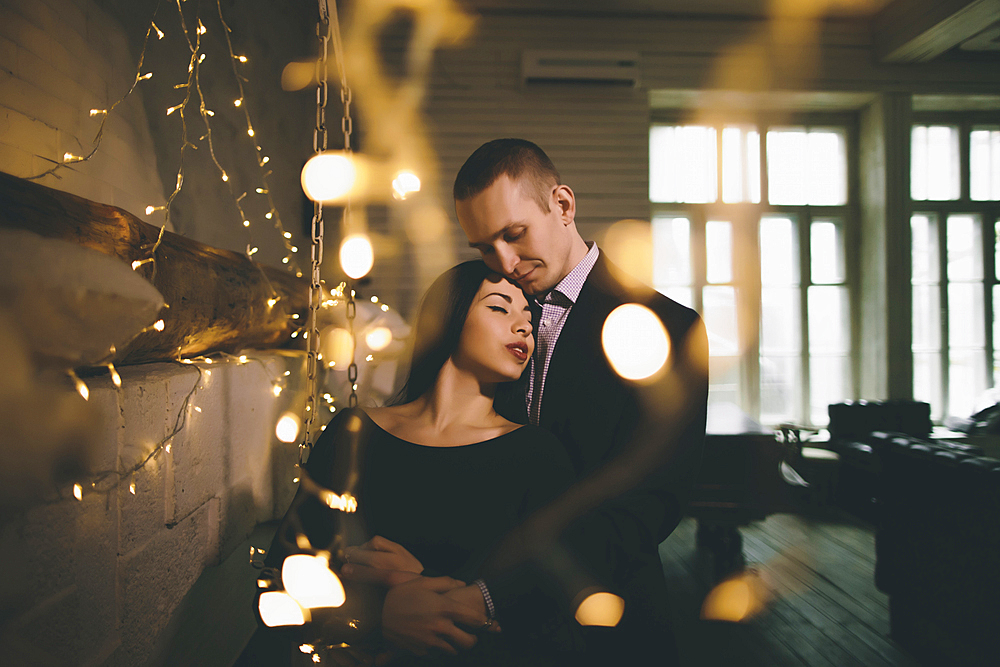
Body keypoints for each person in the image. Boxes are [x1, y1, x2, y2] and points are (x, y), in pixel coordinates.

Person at [349, 138, 709, 665]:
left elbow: (646, 505)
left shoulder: (667, 329)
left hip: (603, 627)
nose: (505, 261)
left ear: (562, 205)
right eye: (484, 248)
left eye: (514, 235)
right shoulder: (478, 324)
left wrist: (490, 594)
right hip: (469, 638)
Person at [252, 260, 581, 665]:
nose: (524, 327)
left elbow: (550, 617)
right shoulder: (355, 433)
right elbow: (277, 584)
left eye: (529, 317)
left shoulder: (537, 455)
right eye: (500, 308)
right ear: (448, 316)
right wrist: (377, 611)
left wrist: (414, 585)